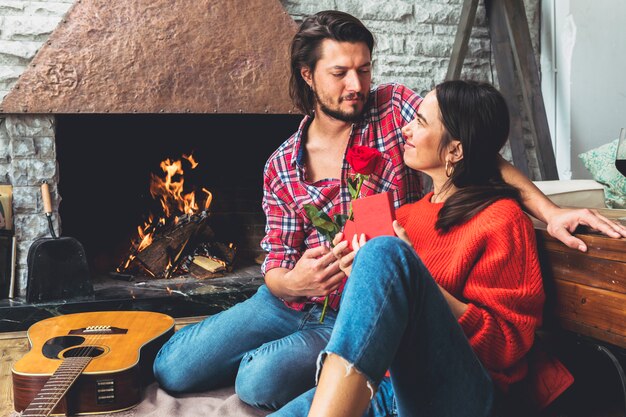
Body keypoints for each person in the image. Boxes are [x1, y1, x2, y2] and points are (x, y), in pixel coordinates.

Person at [152, 10, 626, 412]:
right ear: (308, 75)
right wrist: (294, 281)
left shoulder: (395, 110)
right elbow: (275, 259)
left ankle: (291, 361)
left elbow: (477, 149)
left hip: (359, 309)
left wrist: (549, 209)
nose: (356, 84)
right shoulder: (285, 165)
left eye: (364, 69)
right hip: (294, 298)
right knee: (172, 368)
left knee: (257, 381)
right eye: (340, 73)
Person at [276, 80, 545, 417]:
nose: (405, 129)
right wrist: (358, 274)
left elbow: (507, 346)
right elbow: (372, 332)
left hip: (463, 393)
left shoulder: (503, 220)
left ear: (455, 151)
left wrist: (417, 277)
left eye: (420, 122)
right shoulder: (406, 216)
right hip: (385, 385)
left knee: (386, 252)